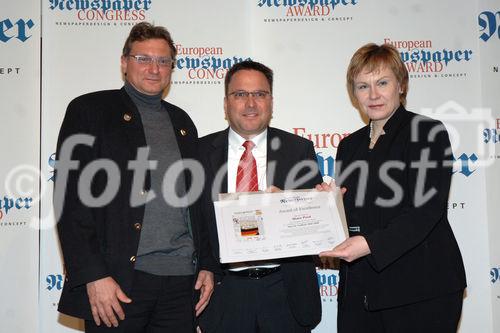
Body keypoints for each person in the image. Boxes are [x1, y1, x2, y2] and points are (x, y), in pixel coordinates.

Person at [54, 22, 216, 333]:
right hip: (118, 284)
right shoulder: (90, 111)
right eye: (143, 59)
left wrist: (207, 265)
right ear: (124, 62)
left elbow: (197, 203)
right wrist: (92, 275)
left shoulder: (183, 122)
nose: (154, 69)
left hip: (181, 284)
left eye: (164, 61)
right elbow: (69, 199)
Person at [318, 43, 466, 332]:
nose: (373, 95)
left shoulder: (426, 132)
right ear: (354, 94)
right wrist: (328, 206)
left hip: (421, 288)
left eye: (382, 82)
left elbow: (426, 210)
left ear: (401, 85)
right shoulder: (350, 145)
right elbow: (357, 213)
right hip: (361, 290)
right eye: (363, 86)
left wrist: (371, 245)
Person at [197, 60, 322, 333]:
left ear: (272, 102)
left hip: (286, 293)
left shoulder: (298, 149)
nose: (250, 103)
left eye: (260, 94)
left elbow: (312, 226)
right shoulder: (199, 152)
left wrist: (320, 205)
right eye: (240, 94)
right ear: (226, 103)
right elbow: (192, 227)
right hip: (223, 294)